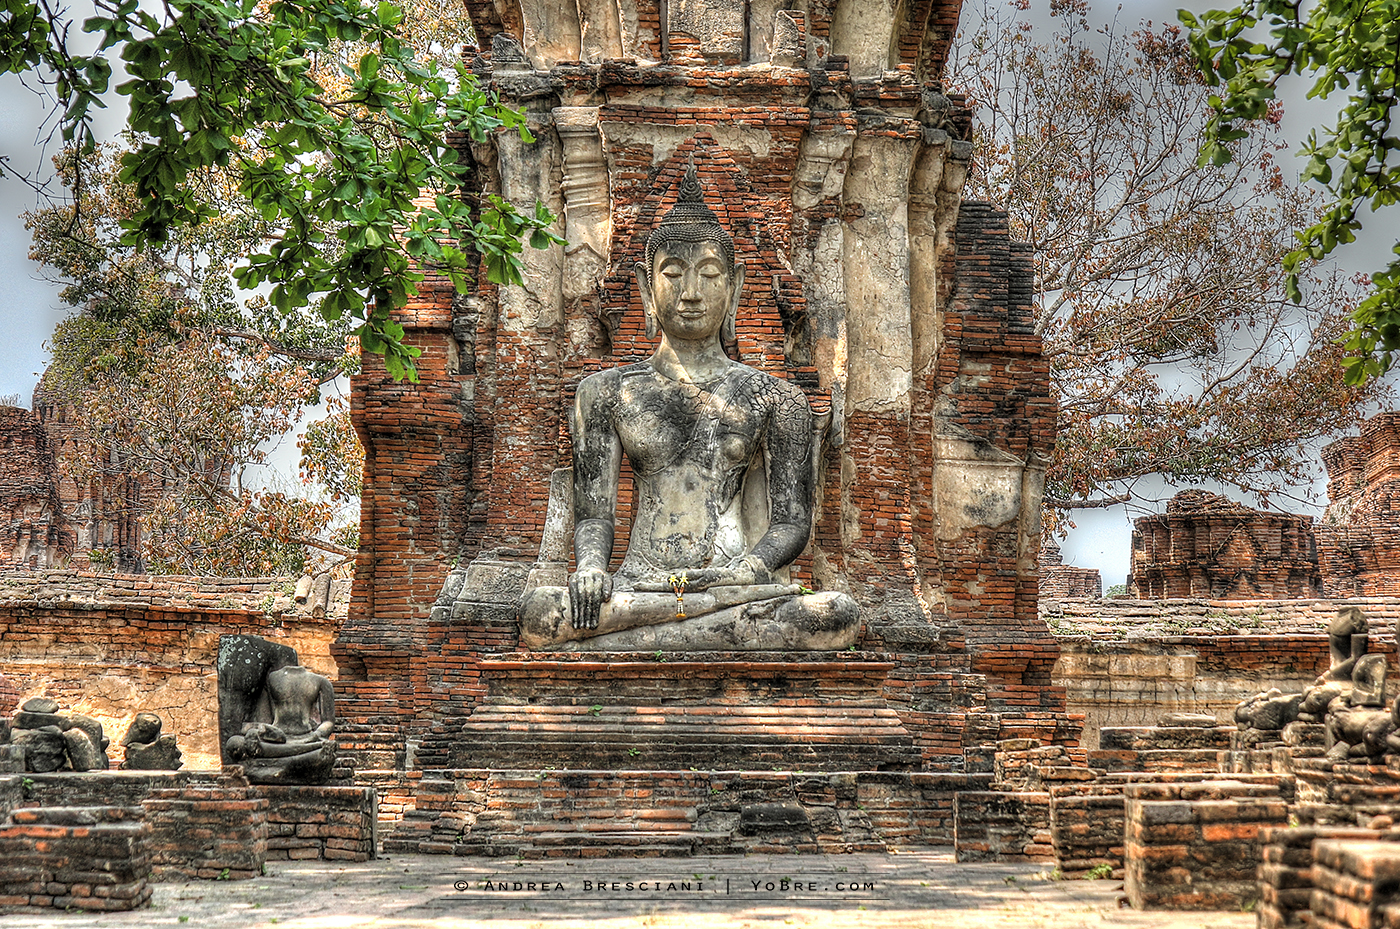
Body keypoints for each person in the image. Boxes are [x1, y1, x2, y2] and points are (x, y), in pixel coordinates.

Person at [519, 164, 857, 650]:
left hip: (733, 584)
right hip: (638, 582)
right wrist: (592, 569)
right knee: (540, 614)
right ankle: (689, 626)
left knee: (834, 615)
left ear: (735, 286)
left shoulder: (778, 400)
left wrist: (749, 569)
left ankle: (657, 632)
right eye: (673, 275)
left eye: (710, 275)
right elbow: (594, 514)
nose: (691, 293)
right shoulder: (605, 392)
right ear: (645, 287)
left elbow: (791, 522)